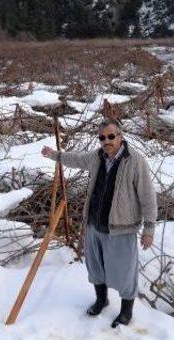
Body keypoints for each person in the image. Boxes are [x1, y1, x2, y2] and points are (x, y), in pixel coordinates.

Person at [41, 119, 157, 328]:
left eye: (111, 136)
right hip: (94, 224)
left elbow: (148, 198)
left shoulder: (135, 161)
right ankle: (101, 300)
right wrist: (54, 155)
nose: (107, 141)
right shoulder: (97, 157)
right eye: (102, 137)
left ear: (120, 136)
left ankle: (126, 312)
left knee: (125, 273)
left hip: (121, 229)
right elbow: (75, 159)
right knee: (95, 267)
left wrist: (149, 229)